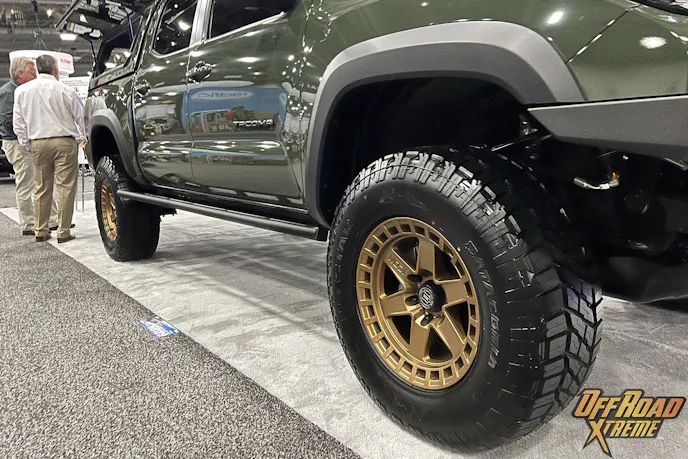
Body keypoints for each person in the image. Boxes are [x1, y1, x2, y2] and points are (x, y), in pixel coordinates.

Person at [13, 54, 86, 243]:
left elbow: (18, 123)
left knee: (41, 187)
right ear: (55, 70)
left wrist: (27, 143)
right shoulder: (66, 90)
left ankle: (40, 230)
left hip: (38, 142)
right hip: (64, 142)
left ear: (38, 69)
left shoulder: (22, 91)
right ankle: (63, 232)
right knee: (65, 187)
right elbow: (81, 117)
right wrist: (83, 137)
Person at [0, 56, 59, 236]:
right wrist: (29, 134)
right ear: (20, 74)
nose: (36, 77)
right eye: (32, 74)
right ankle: (29, 224)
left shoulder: (23, 90)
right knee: (26, 183)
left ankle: (52, 219)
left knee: (43, 181)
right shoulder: (9, 93)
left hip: (28, 141)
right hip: (18, 143)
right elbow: (8, 121)